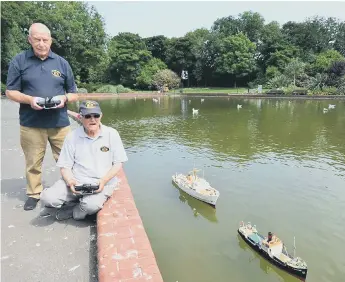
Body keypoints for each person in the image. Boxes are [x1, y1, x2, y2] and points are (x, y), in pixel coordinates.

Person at [5, 23, 79, 210]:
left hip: (59, 122)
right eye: (36, 39)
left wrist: (64, 98)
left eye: (45, 39)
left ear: (50, 40)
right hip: (31, 123)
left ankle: (72, 191)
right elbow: (10, 92)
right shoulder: (19, 61)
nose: (41, 43)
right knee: (33, 162)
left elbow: (74, 93)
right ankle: (34, 193)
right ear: (29, 39)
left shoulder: (62, 63)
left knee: (68, 160)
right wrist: (30, 100)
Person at [40, 100, 128, 220]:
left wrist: (103, 180)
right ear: (80, 117)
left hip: (100, 183)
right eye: (87, 116)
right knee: (47, 198)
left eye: (96, 115)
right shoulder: (72, 137)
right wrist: (70, 181)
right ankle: (73, 202)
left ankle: (74, 210)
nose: (93, 120)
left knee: (91, 206)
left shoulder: (112, 134)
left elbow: (118, 163)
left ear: (101, 115)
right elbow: (65, 166)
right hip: (76, 181)